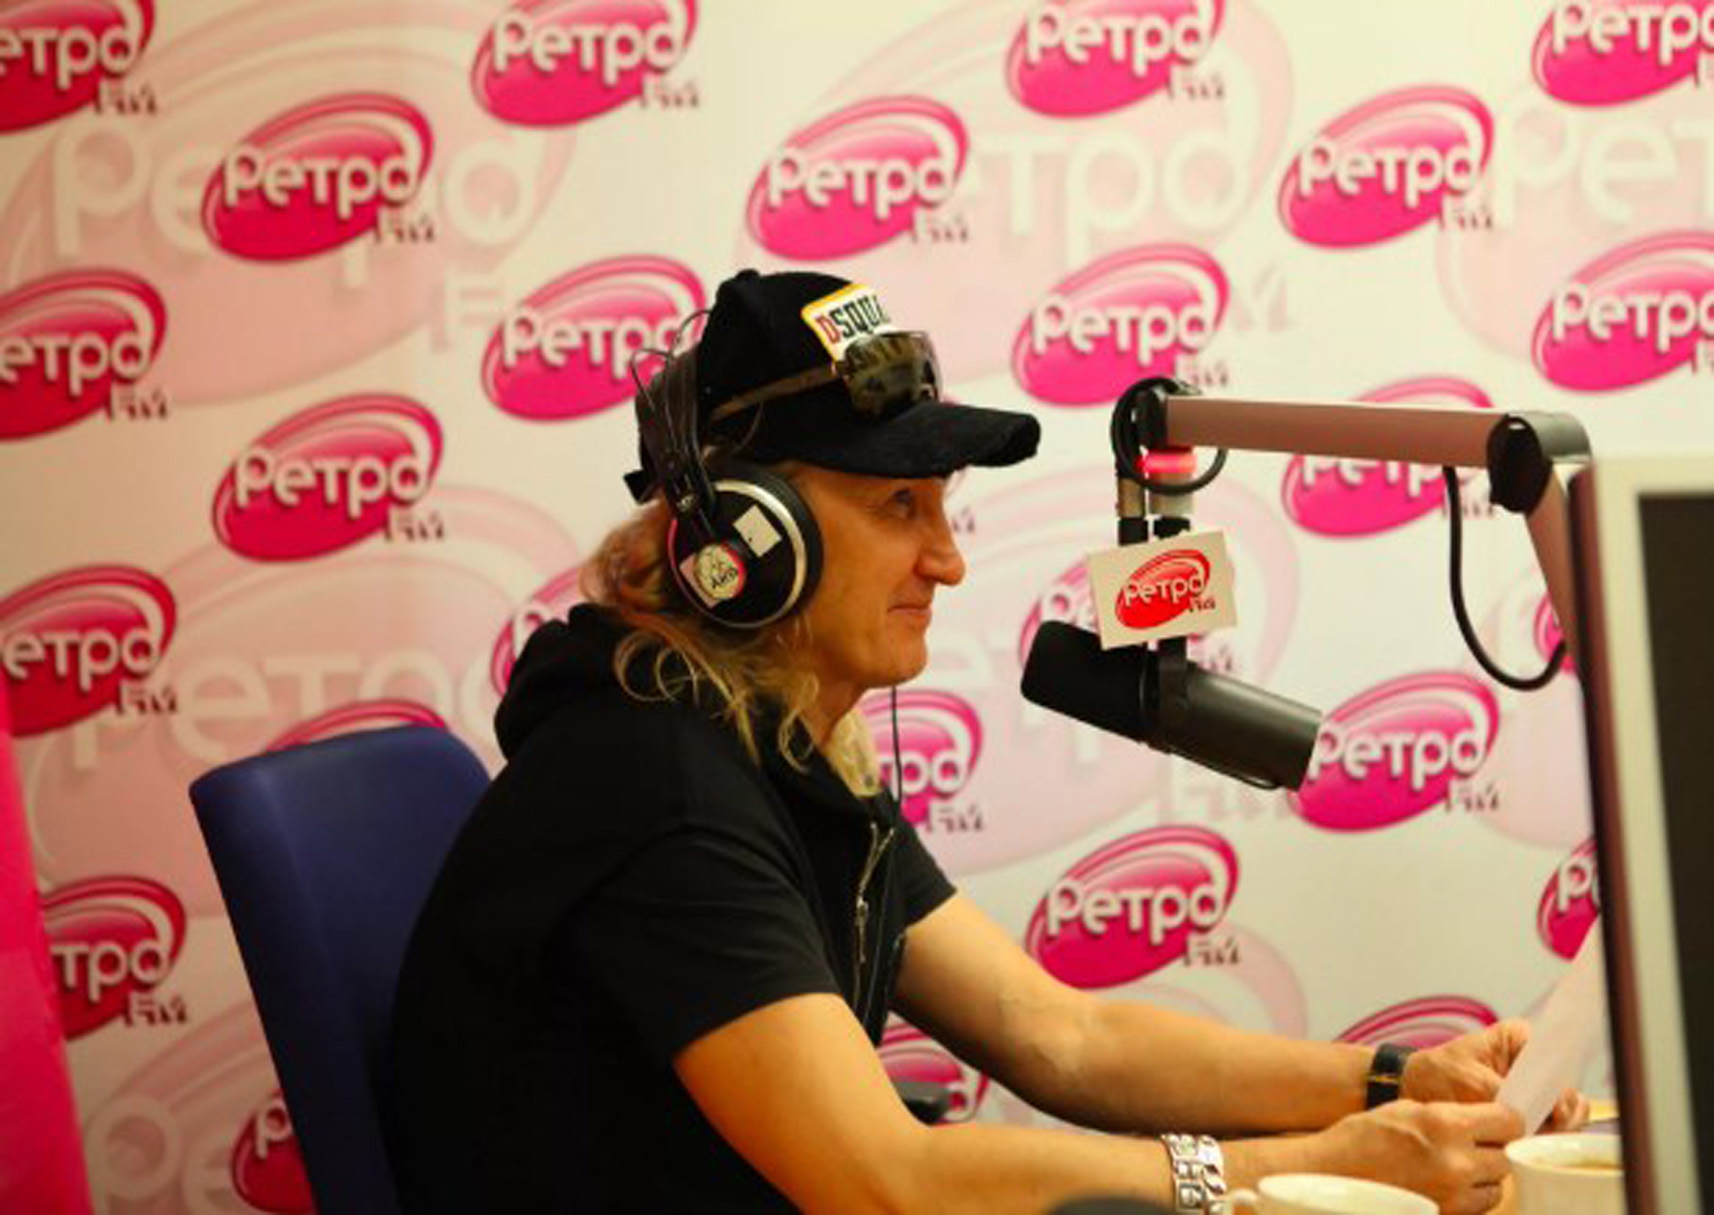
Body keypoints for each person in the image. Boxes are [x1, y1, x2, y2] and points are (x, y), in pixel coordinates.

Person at [386, 270, 1587, 1215]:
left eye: (942, 504)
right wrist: (1310, 1168)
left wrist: (1392, 1084)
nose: (948, 559)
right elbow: (886, 1185)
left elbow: (1056, 1036)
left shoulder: (771, 744)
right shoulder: (662, 790)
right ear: (748, 536)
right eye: (897, 505)